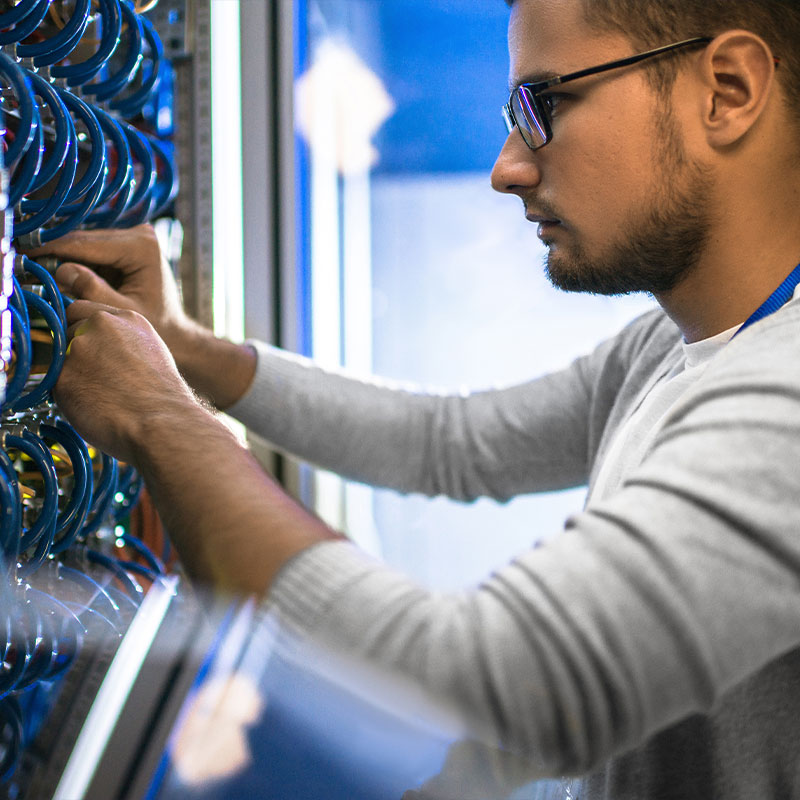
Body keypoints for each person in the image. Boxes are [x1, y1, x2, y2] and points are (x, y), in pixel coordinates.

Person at [25, 0, 800, 796]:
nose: (508, 167)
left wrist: (159, 420)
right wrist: (188, 352)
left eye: (547, 105)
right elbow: (450, 440)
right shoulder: (671, 348)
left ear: (729, 90)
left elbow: (496, 684)